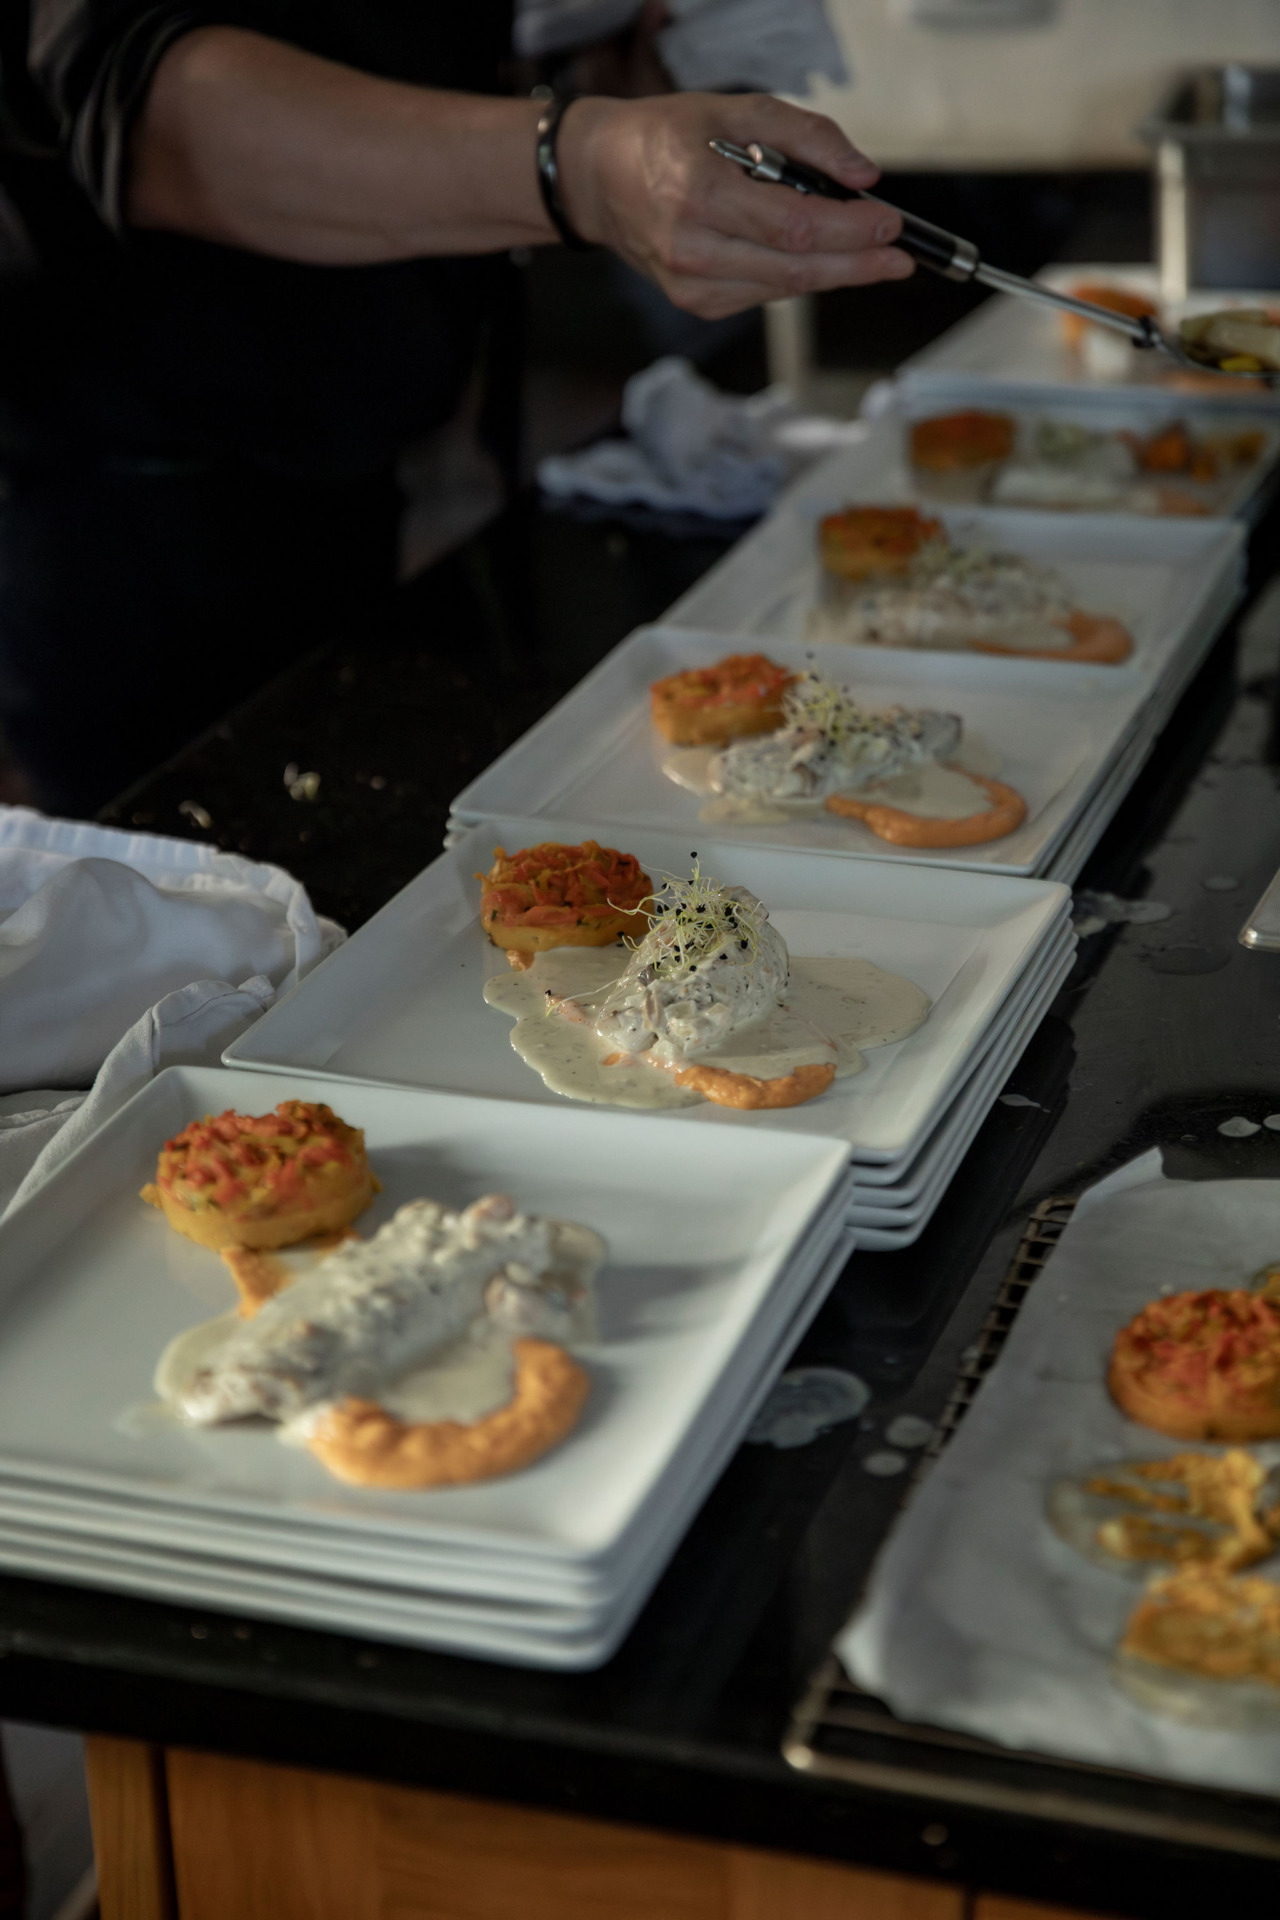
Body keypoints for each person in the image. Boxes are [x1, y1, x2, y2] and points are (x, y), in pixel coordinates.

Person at [0, 2, 911, 814]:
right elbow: (144, 119)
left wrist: (597, 72)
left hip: (361, 462)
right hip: (123, 505)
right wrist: (579, 160)